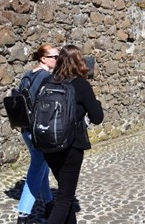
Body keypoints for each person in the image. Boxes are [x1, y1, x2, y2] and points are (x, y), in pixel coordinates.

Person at [40, 44, 104, 224]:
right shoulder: (81, 85)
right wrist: (95, 103)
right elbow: (97, 117)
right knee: (65, 198)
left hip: (48, 145)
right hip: (71, 146)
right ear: (79, 62)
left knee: (64, 191)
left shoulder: (47, 82)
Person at [16, 44, 58, 224]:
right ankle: (23, 214)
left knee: (42, 166)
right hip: (39, 131)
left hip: (26, 130)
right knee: (36, 169)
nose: (57, 59)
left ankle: (49, 203)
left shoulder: (27, 75)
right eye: (54, 57)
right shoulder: (47, 78)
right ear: (43, 58)